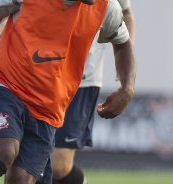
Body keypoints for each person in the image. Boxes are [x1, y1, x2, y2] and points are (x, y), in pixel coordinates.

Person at [0, 0, 136, 184]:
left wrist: (126, 88)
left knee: (22, 178)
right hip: (5, 84)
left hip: (49, 108)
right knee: (5, 150)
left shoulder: (107, 7)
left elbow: (122, 42)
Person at [50, 0, 136, 184]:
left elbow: (126, 14)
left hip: (83, 80)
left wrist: (123, 66)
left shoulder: (110, 6)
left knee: (59, 166)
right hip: (42, 76)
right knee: (32, 160)